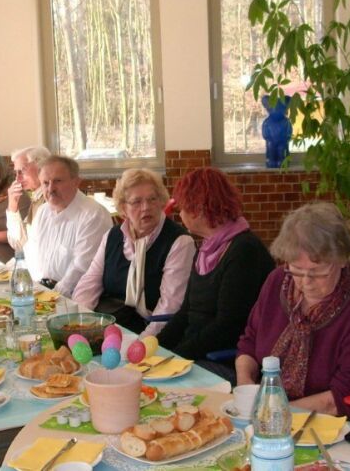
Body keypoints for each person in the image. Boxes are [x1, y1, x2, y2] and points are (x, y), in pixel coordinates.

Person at [236, 202, 350, 421]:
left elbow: (344, 394)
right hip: (267, 411)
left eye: (318, 272)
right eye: (297, 270)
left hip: (332, 423)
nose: (306, 282)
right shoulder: (278, 280)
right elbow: (249, 343)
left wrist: (275, 413)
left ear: (342, 261)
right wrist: (246, 388)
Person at [157, 168, 274, 374]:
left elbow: (227, 326)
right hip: (195, 352)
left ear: (199, 209)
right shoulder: (206, 249)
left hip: (221, 359)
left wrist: (176, 358)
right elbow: (186, 313)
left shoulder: (244, 251)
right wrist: (157, 349)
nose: (180, 214)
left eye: (182, 208)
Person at [73, 169, 195, 335]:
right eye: (136, 202)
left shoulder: (179, 241)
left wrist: (143, 342)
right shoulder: (113, 236)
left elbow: (170, 306)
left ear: (161, 202)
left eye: (152, 199)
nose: (146, 208)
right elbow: (89, 283)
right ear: (123, 208)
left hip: (155, 332)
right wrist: (81, 325)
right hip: (113, 325)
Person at [22, 155, 112, 296]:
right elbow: (31, 252)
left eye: (58, 181)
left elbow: (82, 268)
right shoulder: (43, 211)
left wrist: (51, 297)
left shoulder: (93, 215)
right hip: (44, 291)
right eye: (45, 183)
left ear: (76, 182)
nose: (51, 189)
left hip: (77, 297)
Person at [6, 146, 51, 251]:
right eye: (16, 173)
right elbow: (18, 244)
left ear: (41, 167)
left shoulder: (51, 199)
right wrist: (12, 207)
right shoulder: (37, 197)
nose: (17, 178)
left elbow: (23, 245)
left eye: (22, 170)